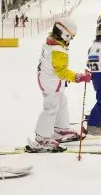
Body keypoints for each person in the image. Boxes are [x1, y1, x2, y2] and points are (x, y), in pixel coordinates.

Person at [29, 18, 91, 151]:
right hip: (51, 82)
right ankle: (41, 138)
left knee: (62, 102)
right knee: (51, 108)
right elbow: (62, 71)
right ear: (64, 34)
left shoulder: (51, 43)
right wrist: (77, 77)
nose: (70, 41)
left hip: (48, 79)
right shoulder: (58, 50)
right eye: (70, 37)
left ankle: (60, 129)